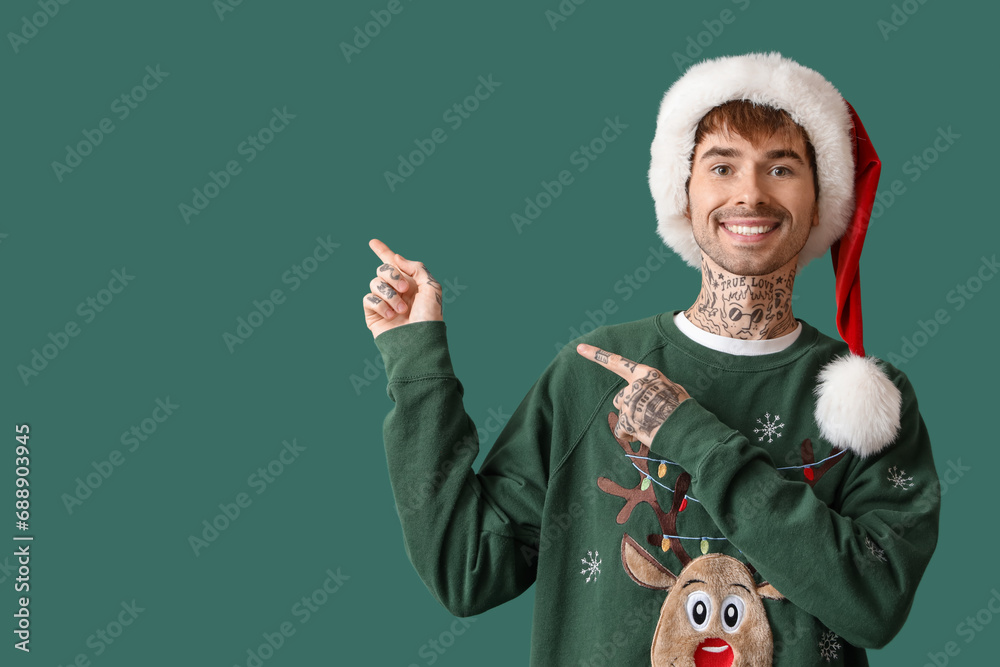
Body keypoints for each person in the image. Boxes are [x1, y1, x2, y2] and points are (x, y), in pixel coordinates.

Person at [362, 52, 940, 666]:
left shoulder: (867, 403)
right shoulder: (594, 373)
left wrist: (687, 434)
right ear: (682, 192)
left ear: (821, 198)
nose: (750, 192)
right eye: (722, 166)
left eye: (781, 168)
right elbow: (468, 571)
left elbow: (874, 605)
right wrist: (416, 363)